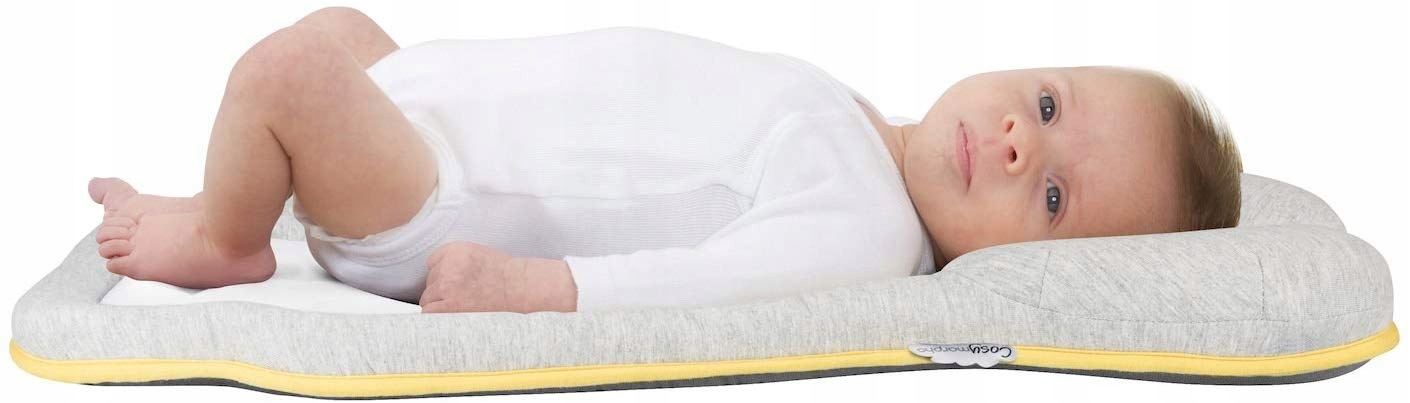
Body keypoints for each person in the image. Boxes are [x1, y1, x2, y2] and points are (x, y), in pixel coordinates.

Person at [87, 7, 1243, 315]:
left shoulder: (870, 230)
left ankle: (228, 239)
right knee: (341, 31)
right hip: (434, 114)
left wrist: (539, 288)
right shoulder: (864, 131)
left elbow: (714, 288)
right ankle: (244, 187)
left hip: (438, 199)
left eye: (1053, 193)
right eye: (1045, 103)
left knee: (289, 71)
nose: (1019, 140)